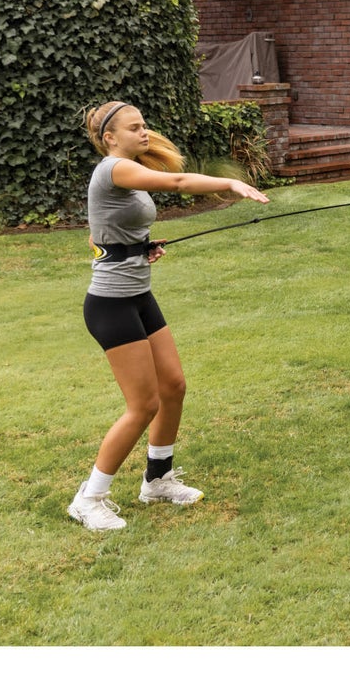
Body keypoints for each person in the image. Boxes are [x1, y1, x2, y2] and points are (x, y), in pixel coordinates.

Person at [69, 100, 269, 532]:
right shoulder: (112, 169)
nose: (144, 133)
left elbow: (97, 233)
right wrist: (230, 184)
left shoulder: (124, 171)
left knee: (174, 386)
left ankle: (158, 479)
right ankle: (89, 497)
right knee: (143, 405)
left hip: (139, 295)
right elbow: (177, 181)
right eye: (135, 127)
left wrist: (138, 247)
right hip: (111, 303)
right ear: (110, 138)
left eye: (145, 125)